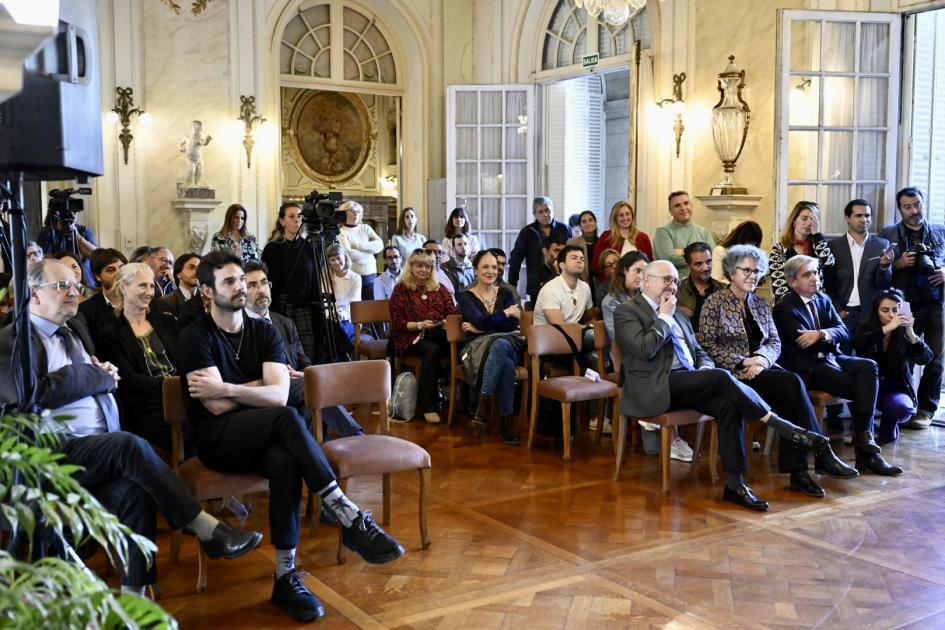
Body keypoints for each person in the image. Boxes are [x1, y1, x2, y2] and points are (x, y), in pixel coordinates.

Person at [0, 259, 263, 598]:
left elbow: (99, 380)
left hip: (95, 449)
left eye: (75, 287)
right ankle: (204, 527)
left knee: (134, 492)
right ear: (33, 294)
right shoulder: (11, 340)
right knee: (130, 444)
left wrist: (98, 377)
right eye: (61, 286)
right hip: (52, 454)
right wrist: (95, 377)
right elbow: (29, 396)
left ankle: (134, 599)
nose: (73, 293)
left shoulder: (76, 329)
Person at [178, 251, 404, 622]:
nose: (239, 288)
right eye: (229, 282)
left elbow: (278, 394)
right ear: (206, 290)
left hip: (264, 435)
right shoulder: (194, 336)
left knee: (284, 459)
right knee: (284, 419)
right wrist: (255, 389)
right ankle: (344, 511)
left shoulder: (264, 330)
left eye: (242, 280)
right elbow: (215, 410)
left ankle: (286, 577)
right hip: (218, 441)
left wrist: (229, 389)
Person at [614, 259, 830, 511]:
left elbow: (699, 351)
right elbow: (644, 349)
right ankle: (781, 425)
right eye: (666, 280)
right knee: (722, 377)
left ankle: (735, 484)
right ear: (645, 281)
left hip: (688, 380)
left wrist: (704, 369)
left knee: (728, 403)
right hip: (653, 386)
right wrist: (663, 317)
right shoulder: (628, 311)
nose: (672, 286)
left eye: (675, 280)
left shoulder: (678, 312)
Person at [699, 246, 857, 497]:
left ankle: (801, 472)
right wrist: (742, 363)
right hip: (730, 376)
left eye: (757, 271)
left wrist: (761, 359)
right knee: (791, 384)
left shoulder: (761, 303)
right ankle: (816, 457)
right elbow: (707, 344)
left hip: (762, 371)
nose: (753, 275)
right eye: (747, 270)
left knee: (791, 391)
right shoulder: (714, 303)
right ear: (731, 271)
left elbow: (774, 342)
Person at [772, 255, 902, 475]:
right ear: (793, 282)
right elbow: (805, 345)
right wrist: (826, 337)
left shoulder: (823, 299)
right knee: (862, 388)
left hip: (829, 357)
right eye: (807, 274)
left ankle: (865, 440)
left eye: (815, 273)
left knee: (868, 366)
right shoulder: (784, 307)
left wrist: (821, 334)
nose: (814, 278)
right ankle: (867, 453)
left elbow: (844, 332)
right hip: (807, 367)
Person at [243, 260, 363, 439]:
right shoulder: (239, 328)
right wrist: (283, 375)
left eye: (263, 283)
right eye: (252, 285)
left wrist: (304, 373)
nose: (261, 290)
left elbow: (303, 360)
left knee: (312, 392)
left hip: (297, 386)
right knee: (312, 389)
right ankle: (355, 437)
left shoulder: (284, 323)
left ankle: (318, 451)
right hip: (267, 391)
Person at [879, 186, 945, 429]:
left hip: (936, 302)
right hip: (904, 304)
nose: (913, 210)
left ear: (923, 203)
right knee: (902, 355)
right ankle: (906, 406)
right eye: (907, 207)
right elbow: (877, 271)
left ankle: (926, 410)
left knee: (936, 359)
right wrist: (897, 264)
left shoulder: (940, 231)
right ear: (900, 209)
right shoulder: (888, 234)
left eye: (917, 204)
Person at [97, 263, 180, 453]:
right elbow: (129, 381)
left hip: (182, 393)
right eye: (142, 285)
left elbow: (183, 360)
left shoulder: (166, 321)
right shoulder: (110, 334)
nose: (149, 292)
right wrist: (173, 386)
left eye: (151, 286)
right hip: (146, 404)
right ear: (124, 288)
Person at [457, 250, 522, 445]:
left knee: (501, 344)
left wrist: (480, 328)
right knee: (507, 364)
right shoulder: (466, 296)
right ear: (475, 270)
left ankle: (484, 400)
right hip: (477, 350)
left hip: (508, 342)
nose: (491, 271)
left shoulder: (506, 293)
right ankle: (506, 422)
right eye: (485, 267)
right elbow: (481, 320)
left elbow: (509, 326)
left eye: (494, 267)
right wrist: (506, 313)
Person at [854, 289, 932, 444]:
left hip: (894, 387)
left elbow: (925, 358)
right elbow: (858, 343)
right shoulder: (867, 329)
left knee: (901, 408)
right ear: (876, 311)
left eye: (895, 310)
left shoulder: (904, 333)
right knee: (851, 390)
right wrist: (886, 329)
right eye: (885, 310)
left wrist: (911, 333)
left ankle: (887, 428)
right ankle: (863, 430)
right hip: (867, 386)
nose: (891, 315)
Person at [389, 249, 458, 424]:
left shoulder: (439, 288)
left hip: (436, 332)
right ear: (411, 266)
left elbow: (453, 312)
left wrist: (444, 321)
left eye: (428, 266)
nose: (424, 270)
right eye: (419, 265)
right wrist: (420, 325)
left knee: (460, 344)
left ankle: (466, 401)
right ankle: (428, 406)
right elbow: (397, 323)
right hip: (409, 337)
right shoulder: (400, 290)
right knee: (432, 350)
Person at [824, 199, 894, 349]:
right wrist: (837, 310)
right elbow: (827, 284)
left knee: (870, 364)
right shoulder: (832, 247)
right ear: (847, 218)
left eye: (867, 216)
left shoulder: (882, 245)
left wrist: (884, 266)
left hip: (870, 314)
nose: (864, 220)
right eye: (858, 215)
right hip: (843, 313)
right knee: (842, 361)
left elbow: (883, 284)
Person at [262, 202, 323, 362]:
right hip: (283, 307)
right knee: (284, 350)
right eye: (292, 216)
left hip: (305, 307)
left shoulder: (309, 247)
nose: (297, 220)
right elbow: (267, 279)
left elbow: (316, 276)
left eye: (300, 216)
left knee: (309, 349)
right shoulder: (272, 248)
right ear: (282, 221)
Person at [769, 201, 835, 302]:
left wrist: (817, 235)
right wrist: (801, 305)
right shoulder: (779, 249)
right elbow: (779, 288)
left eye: (812, 219)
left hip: (816, 305)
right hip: (789, 308)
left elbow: (830, 264)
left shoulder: (818, 245)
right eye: (804, 218)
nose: (809, 223)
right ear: (794, 221)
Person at [508, 196, 571, 303]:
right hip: (537, 281)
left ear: (552, 210)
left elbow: (571, 253)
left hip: (562, 278)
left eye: (547, 210)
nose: (545, 214)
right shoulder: (527, 232)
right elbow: (516, 258)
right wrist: (512, 285)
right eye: (540, 211)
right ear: (535, 214)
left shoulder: (564, 228)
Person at [652, 191, 715, 278]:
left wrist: (683, 252)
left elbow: (712, 258)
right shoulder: (663, 231)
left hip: (703, 282)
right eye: (677, 205)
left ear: (691, 206)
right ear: (670, 211)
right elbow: (668, 259)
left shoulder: (704, 232)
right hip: (674, 284)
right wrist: (700, 258)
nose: (683, 208)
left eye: (686, 203)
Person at [592, 201, 654, 283]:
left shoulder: (643, 237)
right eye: (621, 215)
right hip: (612, 285)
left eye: (627, 214)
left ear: (632, 216)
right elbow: (596, 264)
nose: (625, 218)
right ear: (615, 218)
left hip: (639, 284)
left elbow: (650, 264)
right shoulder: (606, 237)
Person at [37, 206, 98, 288]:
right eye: (67, 214)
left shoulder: (84, 231)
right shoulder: (47, 234)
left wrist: (77, 236)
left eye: (74, 213)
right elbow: (43, 259)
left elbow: (97, 255)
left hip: (86, 281)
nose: (71, 216)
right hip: (59, 281)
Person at [77, 248, 127, 348]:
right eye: (111, 270)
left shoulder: (140, 302)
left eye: (122, 268)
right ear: (97, 276)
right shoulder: (85, 310)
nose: (119, 274)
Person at [533, 245, 593, 326]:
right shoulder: (550, 289)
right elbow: (560, 327)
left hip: (575, 334)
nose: (580, 261)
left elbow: (591, 319)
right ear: (562, 265)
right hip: (549, 336)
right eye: (574, 258)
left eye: (582, 259)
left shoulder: (585, 287)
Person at [338, 200, 384, 301]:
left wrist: (358, 245)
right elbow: (349, 254)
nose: (356, 214)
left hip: (371, 274)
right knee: (356, 308)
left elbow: (380, 245)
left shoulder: (365, 228)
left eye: (358, 211)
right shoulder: (341, 232)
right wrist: (370, 252)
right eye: (352, 211)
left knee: (371, 308)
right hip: (354, 276)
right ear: (343, 213)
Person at [676, 242, 724, 331]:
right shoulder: (675, 290)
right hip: (687, 342)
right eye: (698, 264)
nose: (706, 267)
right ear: (688, 267)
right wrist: (675, 311)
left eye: (708, 261)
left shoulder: (724, 290)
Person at [326, 243, 360, 345]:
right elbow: (325, 300)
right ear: (329, 262)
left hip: (350, 318)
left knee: (337, 330)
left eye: (338, 258)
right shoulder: (326, 277)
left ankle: (341, 358)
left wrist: (341, 315)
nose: (336, 262)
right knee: (331, 329)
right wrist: (331, 315)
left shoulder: (356, 278)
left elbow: (354, 303)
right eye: (332, 260)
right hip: (330, 318)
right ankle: (345, 355)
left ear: (344, 257)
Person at [152, 252, 200, 320]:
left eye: (199, 268)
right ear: (179, 274)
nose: (197, 272)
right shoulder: (165, 302)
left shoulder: (209, 300)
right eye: (191, 267)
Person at [533, 233, 568, 301]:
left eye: (563, 251)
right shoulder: (534, 274)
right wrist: (557, 273)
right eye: (556, 250)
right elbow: (539, 297)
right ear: (545, 251)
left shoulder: (571, 271)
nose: (560, 255)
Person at [567, 210, 599, 285]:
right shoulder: (572, 243)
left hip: (599, 287)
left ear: (595, 224)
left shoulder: (602, 242)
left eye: (590, 220)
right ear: (580, 226)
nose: (588, 223)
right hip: (579, 285)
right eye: (584, 221)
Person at [179, 119, 212, 187]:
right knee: (191, 171)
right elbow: (180, 143)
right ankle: (189, 183)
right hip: (190, 159)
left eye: (200, 131)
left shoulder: (199, 139)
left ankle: (197, 183)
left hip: (199, 159)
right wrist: (180, 148)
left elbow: (204, 143)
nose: (198, 133)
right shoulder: (187, 137)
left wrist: (208, 140)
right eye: (197, 130)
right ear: (191, 130)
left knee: (200, 172)